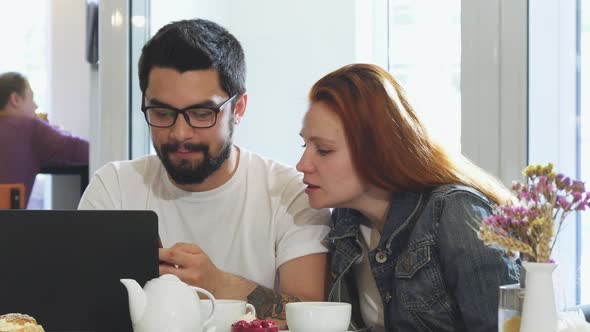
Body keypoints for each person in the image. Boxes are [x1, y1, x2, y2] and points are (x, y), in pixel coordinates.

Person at [78, 19, 330, 325]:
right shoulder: (114, 186)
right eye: (162, 113)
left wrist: (218, 283)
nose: (179, 133)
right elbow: (82, 306)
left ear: (238, 109)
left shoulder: (288, 192)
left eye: (201, 114)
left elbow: (309, 314)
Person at [296, 63, 520, 332]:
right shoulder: (346, 219)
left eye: (323, 150)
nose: (302, 164)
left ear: (378, 151)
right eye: (304, 145)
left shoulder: (456, 213)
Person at [0, 72, 89, 207]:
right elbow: (86, 151)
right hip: (8, 225)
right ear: (15, 99)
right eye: (31, 99)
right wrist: (52, 131)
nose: (35, 106)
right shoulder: (29, 128)